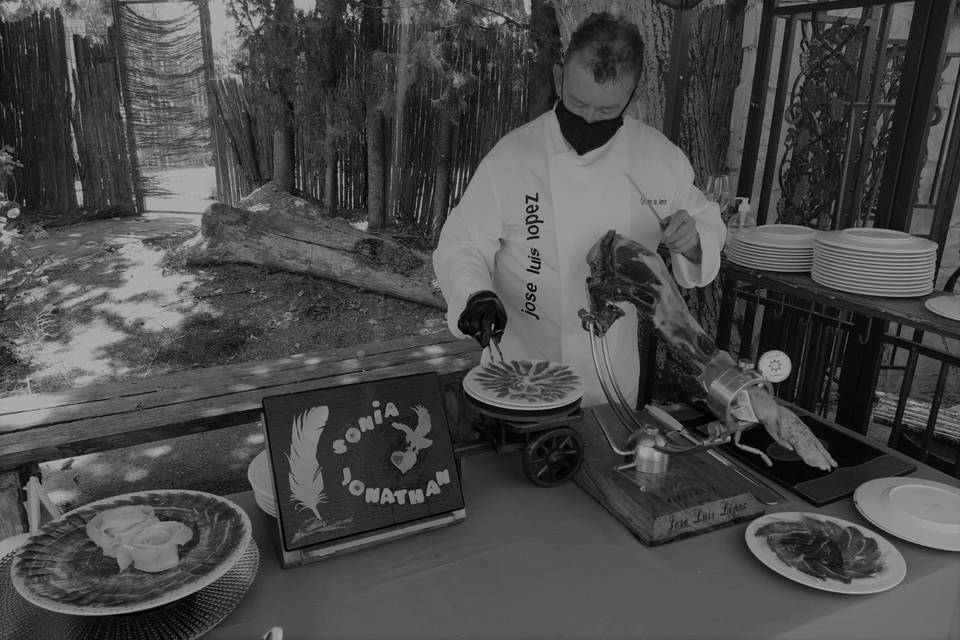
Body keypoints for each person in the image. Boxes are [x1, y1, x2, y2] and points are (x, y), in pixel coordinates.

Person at [433, 12, 725, 408]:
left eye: (605, 111)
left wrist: (693, 239)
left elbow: (706, 220)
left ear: (633, 96)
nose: (588, 119)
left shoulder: (660, 160)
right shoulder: (513, 157)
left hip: (610, 377)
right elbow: (463, 243)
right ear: (558, 79)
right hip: (521, 369)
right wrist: (475, 294)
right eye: (577, 102)